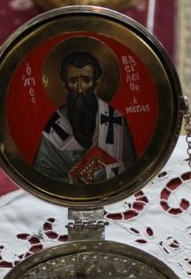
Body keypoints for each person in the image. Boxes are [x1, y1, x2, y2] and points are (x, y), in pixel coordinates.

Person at [34, 51, 135, 184]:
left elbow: (133, 167)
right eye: (73, 81)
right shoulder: (54, 126)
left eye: (86, 81)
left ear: (96, 83)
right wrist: (70, 183)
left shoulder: (115, 120)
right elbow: (42, 175)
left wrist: (102, 174)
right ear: (65, 85)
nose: (80, 89)